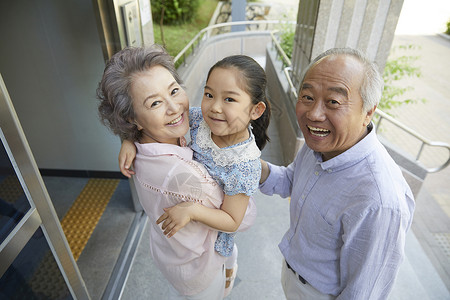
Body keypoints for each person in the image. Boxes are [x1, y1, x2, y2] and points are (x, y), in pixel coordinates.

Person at [259, 48, 415, 299]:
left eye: (333, 102)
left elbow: (364, 293)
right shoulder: (320, 143)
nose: (314, 114)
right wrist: (249, 166)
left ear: (368, 112)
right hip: (293, 275)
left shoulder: (379, 200)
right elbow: (291, 179)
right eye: (307, 96)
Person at [120, 55, 271, 297]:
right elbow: (160, 123)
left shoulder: (243, 166)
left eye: (229, 99)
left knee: (227, 259)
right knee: (227, 266)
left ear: (256, 110)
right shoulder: (201, 118)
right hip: (200, 252)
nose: (215, 107)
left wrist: (192, 210)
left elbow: (234, 220)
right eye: (209, 94)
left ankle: (228, 276)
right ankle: (228, 275)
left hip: (218, 235)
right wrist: (130, 139)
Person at [97, 45, 229, 300]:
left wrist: (128, 139)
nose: (174, 107)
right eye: (155, 102)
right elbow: (242, 218)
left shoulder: (147, 143)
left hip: (173, 256)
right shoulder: (183, 176)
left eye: (174, 91)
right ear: (132, 118)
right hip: (201, 272)